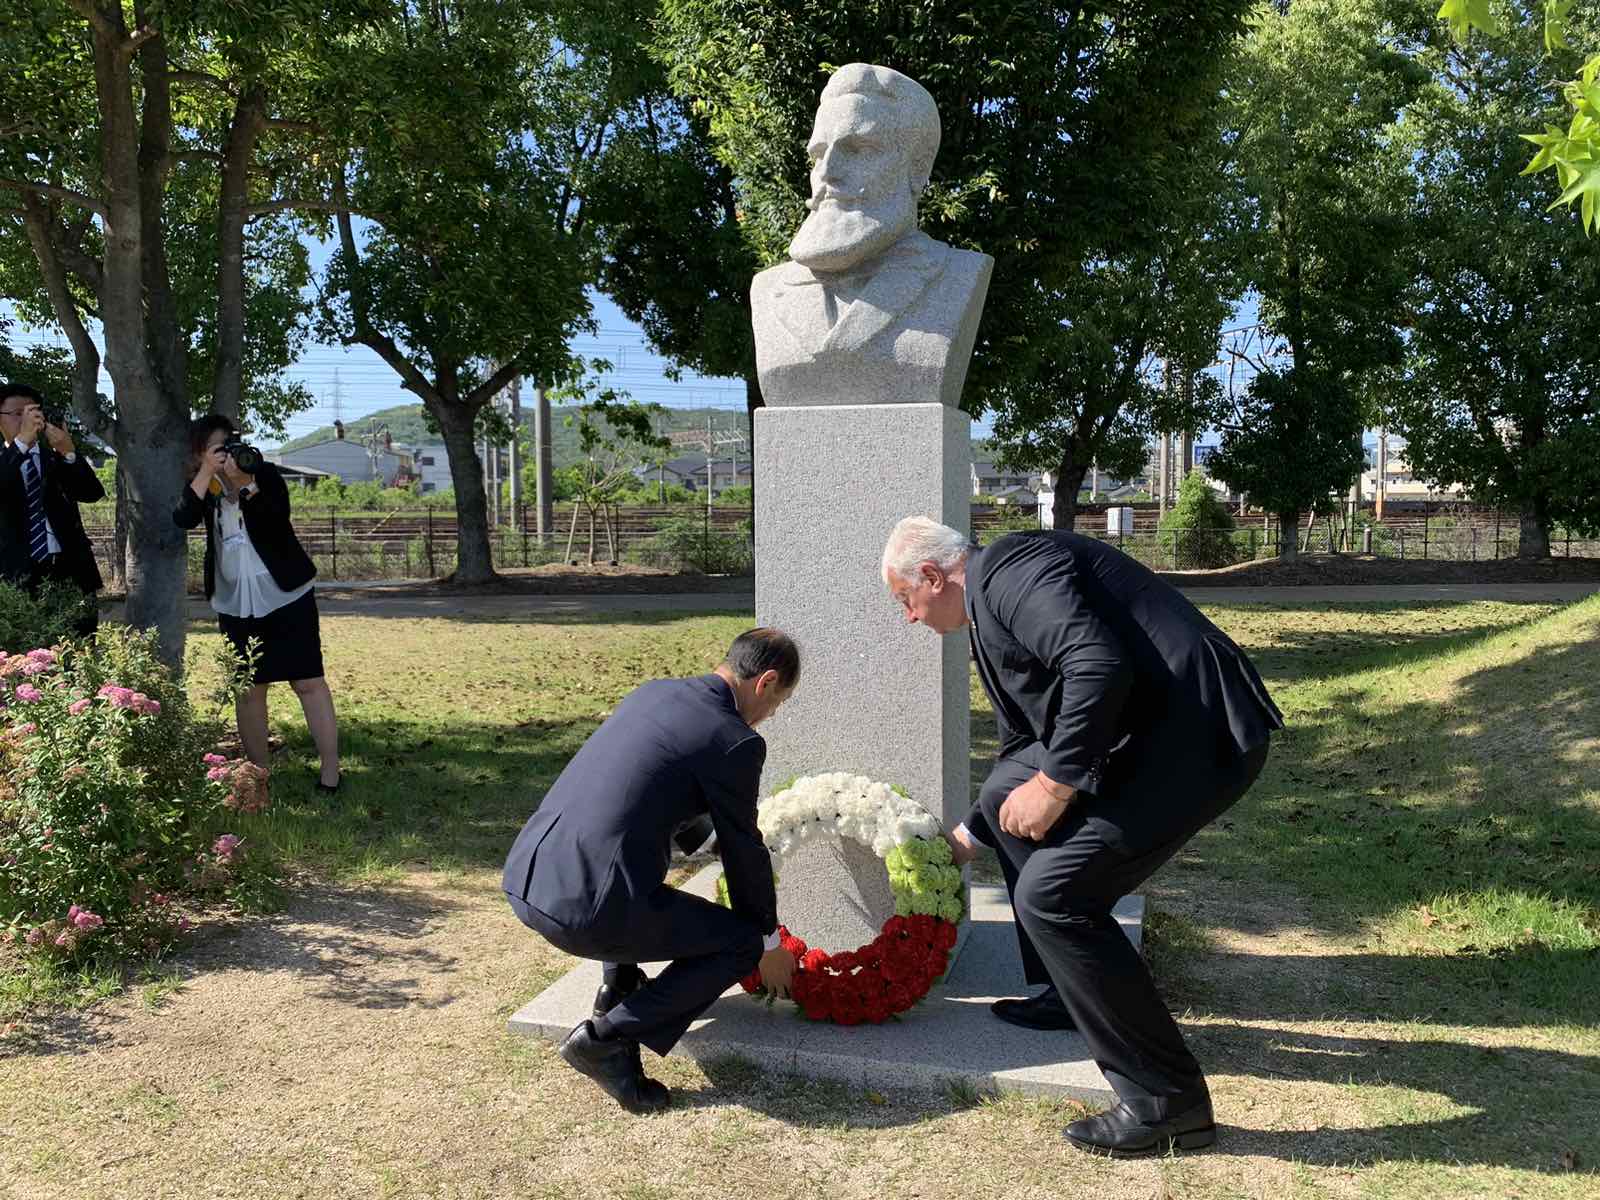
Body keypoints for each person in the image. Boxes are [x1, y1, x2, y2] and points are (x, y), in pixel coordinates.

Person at [881, 516, 1283, 1158]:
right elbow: (1024, 749)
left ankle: (1167, 1103)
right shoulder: (988, 601)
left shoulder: (1010, 569)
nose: (908, 617)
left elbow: (1097, 662)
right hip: (1152, 732)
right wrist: (966, 834)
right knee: (1010, 802)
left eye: (905, 600)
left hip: (1196, 735)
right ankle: (1065, 993)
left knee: (1055, 897)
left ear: (932, 576)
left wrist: (1058, 784)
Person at [502, 629, 801, 1114]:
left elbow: (649, 787)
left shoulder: (655, 693)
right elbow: (744, 849)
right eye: (779, 702)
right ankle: (603, 1040)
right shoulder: (734, 740)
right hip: (586, 912)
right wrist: (767, 944)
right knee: (740, 942)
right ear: (765, 682)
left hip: (529, 875)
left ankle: (619, 986)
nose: (771, 715)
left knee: (630, 873)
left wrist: (706, 842)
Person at [749, 63, 992, 408]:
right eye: (818, 155)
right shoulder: (768, 290)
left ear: (918, 167)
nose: (827, 174)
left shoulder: (958, 275)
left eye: (859, 149)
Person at [174, 414, 340, 791]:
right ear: (200, 452)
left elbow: (276, 519)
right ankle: (257, 778)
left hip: (286, 594)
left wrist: (245, 484)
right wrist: (205, 474)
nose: (228, 454)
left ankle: (330, 773)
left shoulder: (263, 476)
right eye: (217, 448)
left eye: (231, 445)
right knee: (249, 689)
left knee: (308, 681)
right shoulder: (203, 487)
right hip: (234, 600)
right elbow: (182, 518)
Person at [0, 382, 105, 635]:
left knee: (79, 651)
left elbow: (91, 493)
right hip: (17, 575)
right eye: (18, 414)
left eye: (32, 412)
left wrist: (69, 453)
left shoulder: (53, 458)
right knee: (25, 660)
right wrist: (21, 443)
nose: (27, 420)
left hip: (70, 571)